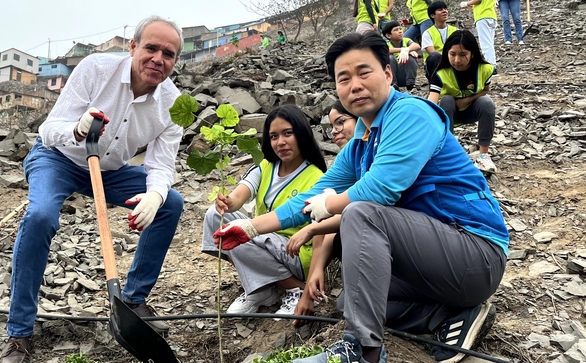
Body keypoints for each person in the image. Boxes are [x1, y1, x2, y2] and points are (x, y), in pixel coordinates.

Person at [214, 31, 509, 363]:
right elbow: (311, 196)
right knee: (351, 302)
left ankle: (362, 351)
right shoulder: (359, 146)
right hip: (436, 269)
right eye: (344, 78)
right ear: (337, 89)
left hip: (474, 254)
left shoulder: (412, 114)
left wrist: (330, 205)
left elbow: (380, 189)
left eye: (363, 72)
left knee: (361, 213)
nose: (354, 85)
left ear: (387, 73)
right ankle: (449, 316)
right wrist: (251, 228)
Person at [0, 16, 185, 363]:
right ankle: (19, 333)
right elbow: (49, 128)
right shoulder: (96, 68)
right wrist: (77, 128)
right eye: (151, 48)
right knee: (39, 216)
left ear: (175, 61)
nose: (158, 59)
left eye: (168, 53)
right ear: (133, 47)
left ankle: (132, 299)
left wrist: (156, 195)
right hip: (59, 158)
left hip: (111, 170)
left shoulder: (172, 105)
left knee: (171, 203)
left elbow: (161, 165)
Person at [201, 104, 327, 318]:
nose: (281, 142)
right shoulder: (266, 166)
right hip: (263, 239)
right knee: (215, 216)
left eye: (288, 133)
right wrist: (227, 203)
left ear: (302, 134)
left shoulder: (317, 177)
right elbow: (240, 196)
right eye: (274, 136)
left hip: (294, 251)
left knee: (241, 232)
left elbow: (320, 232)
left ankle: (294, 288)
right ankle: (262, 289)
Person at [287, 100, 357, 326]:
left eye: (341, 122)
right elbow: (320, 218)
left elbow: (354, 212)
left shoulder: (375, 160)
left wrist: (311, 228)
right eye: (332, 126)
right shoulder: (342, 166)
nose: (335, 130)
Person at [428, 30, 498, 173]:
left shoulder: (484, 69)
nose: (457, 60)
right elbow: (432, 102)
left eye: (463, 55)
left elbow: (485, 90)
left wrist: (466, 100)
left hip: (471, 110)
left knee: (487, 103)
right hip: (447, 114)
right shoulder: (440, 73)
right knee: (447, 100)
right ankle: (450, 152)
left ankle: (483, 156)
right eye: (452, 54)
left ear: (472, 53)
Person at [422, 2, 457, 80]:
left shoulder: (455, 31)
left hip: (454, 62)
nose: (444, 11)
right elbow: (432, 52)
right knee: (434, 56)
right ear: (432, 15)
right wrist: (451, 54)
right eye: (440, 9)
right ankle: (435, 84)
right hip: (437, 64)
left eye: (445, 9)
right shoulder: (427, 33)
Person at [383, 21, 421, 91]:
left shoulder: (406, 40)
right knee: (390, 58)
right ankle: (393, 85)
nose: (400, 31)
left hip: (405, 75)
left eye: (400, 29)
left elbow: (417, 46)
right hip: (393, 75)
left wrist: (407, 50)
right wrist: (402, 49)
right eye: (396, 30)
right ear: (388, 35)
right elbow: (386, 50)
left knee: (410, 57)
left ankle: (411, 84)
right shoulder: (386, 44)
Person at [460, 0, 497, 67]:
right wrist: (473, 5)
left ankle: (491, 66)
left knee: (485, 44)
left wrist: (466, 3)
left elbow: (479, 0)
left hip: (482, 16)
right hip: (491, 16)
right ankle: (492, 64)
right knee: (490, 43)